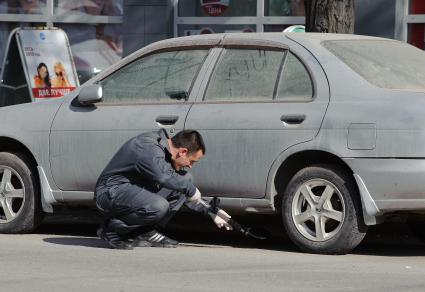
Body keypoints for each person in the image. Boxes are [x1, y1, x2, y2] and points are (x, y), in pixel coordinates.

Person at [95, 129, 232, 249]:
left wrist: (211, 211)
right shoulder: (147, 147)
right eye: (191, 161)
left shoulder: (166, 152)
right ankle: (113, 227)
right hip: (111, 192)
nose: (190, 165)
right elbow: (163, 177)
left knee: (185, 179)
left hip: (134, 191)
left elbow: (180, 187)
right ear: (182, 152)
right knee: (159, 205)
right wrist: (191, 190)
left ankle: (146, 231)